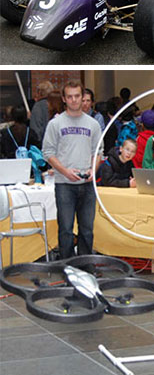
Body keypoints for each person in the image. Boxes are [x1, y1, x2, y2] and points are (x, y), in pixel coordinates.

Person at [42, 78, 103, 258]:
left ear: (83, 97)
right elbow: (47, 152)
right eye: (70, 96)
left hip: (87, 184)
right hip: (64, 185)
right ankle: (66, 266)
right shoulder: (55, 124)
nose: (74, 100)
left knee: (87, 230)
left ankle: (85, 265)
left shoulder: (93, 124)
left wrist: (93, 170)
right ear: (64, 99)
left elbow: (98, 151)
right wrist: (65, 171)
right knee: (66, 230)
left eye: (77, 96)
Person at [29, 80, 54, 148]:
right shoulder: (54, 104)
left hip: (42, 145)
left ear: (40, 92)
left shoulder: (38, 106)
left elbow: (35, 130)